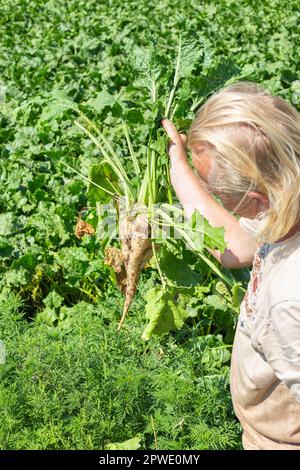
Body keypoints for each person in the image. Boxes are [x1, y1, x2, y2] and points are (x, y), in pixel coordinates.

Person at [162, 81, 300, 450]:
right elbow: (237, 245)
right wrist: (181, 170)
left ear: (255, 199)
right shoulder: (286, 199)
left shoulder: (289, 299)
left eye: (215, 191)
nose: (210, 195)